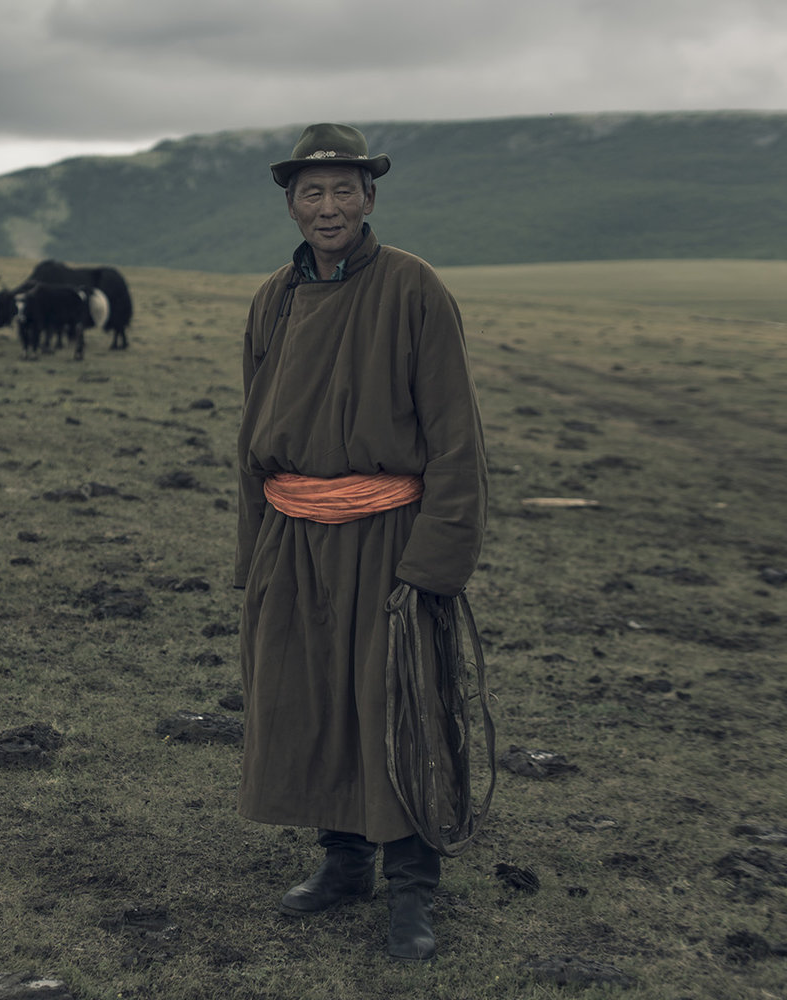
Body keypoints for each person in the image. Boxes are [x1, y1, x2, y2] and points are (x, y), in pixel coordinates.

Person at [234, 122, 489, 961]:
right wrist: (253, 552)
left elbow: (457, 438)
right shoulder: (273, 297)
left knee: (396, 705)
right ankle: (343, 863)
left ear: (370, 197)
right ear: (292, 204)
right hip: (294, 536)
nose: (329, 206)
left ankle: (413, 887)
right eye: (313, 192)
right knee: (309, 699)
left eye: (345, 189)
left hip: (388, 537)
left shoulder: (414, 289)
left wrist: (435, 565)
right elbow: (251, 433)